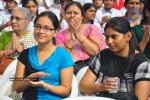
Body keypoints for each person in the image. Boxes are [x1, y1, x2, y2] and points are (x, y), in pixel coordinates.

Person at [79, 17, 150, 100]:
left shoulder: (141, 63)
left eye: (114, 37)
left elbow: (142, 98)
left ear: (128, 36)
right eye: (106, 37)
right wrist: (101, 87)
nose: (109, 41)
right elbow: (83, 86)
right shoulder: (102, 55)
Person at [13, 11, 75, 100]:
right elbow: (17, 87)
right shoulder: (25, 54)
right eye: (38, 27)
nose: (41, 31)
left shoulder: (63, 56)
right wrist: (28, 81)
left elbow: (66, 91)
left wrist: (45, 85)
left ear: (55, 32)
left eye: (47, 28)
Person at [56, 1, 106, 75]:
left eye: (76, 13)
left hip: (91, 71)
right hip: (68, 71)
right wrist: (71, 40)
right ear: (65, 16)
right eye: (69, 13)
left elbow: (94, 52)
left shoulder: (92, 29)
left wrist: (78, 34)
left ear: (82, 16)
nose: (72, 15)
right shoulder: (60, 35)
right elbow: (60, 56)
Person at [0, 7, 37, 74]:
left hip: (26, 74)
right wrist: (10, 50)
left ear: (28, 21)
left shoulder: (35, 37)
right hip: (5, 72)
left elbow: (39, 60)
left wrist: (22, 52)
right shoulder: (4, 35)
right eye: (12, 18)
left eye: (17, 18)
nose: (13, 21)